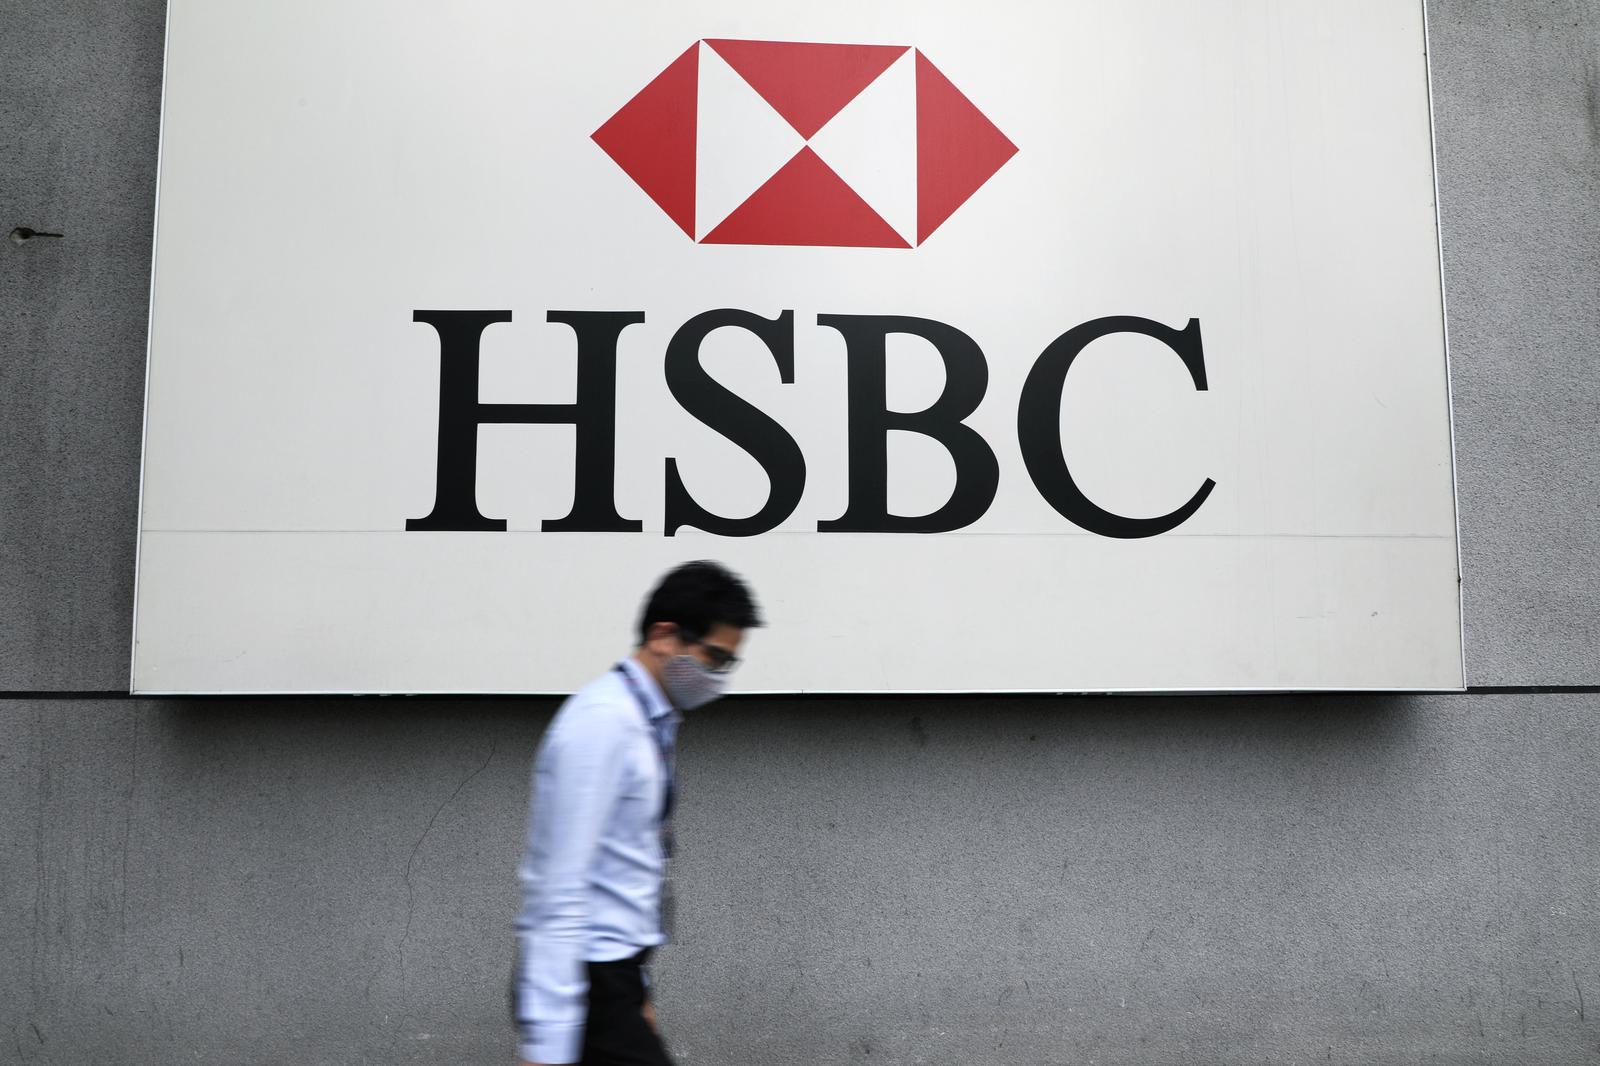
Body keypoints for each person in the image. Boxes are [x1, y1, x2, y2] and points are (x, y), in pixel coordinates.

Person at [513, 560, 763, 1066]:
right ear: (664, 635)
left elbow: (625, 867)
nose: (717, 677)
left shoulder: (649, 721)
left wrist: (639, 990)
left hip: (614, 981)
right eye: (713, 656)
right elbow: (556, 888)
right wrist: (547, 1043)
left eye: (727, 664)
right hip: (585, 987)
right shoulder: (603, 725)